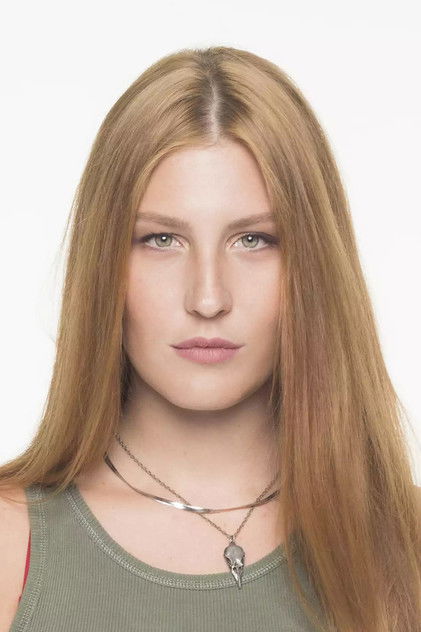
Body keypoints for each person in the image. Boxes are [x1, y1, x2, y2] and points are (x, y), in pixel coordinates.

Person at [1, 46, 420, 632]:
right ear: (104, 265)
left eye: (254, 240)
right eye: (160, 240)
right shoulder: (10, 542)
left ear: (313, 265)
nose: (207, 298)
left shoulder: (406, 546)